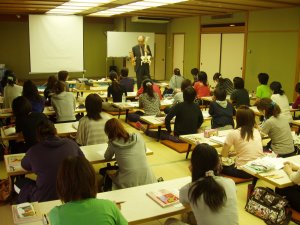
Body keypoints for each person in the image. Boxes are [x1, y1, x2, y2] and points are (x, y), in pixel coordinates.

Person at [16, 120, 84, 203]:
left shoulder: (34, 151)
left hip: (44, 197)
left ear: (37, 136)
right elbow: (83, 160)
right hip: (71, 192)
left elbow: (24, 165)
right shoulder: (71, 144)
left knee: (18, 183)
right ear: (56, 131)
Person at [49, 156, 128, 225]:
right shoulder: (109, 206)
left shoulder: (55, 214)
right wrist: (114, 211)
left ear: (61, 183)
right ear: (92, 179)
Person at [179, 144, 238, 225]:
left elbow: (184, 203)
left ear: (192, 166)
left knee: (171, 221)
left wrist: (194, 174)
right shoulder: (230, 182)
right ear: (218, 164)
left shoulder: (188, 189)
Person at [104, 118, 156, 189]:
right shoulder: (138, 137)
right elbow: (144, 150)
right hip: (148, 178)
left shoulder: (113, 143)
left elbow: (107, 157)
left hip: (128, 182)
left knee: (109, 174)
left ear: (108, 132)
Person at [221, 106, 264, 178]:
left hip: (244, 171)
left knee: (218, 165)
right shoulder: (256, 131)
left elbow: (223, 155)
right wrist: (235, 153)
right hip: (259, 168)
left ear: (238, 119)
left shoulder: (233, 133)